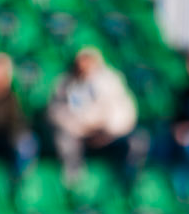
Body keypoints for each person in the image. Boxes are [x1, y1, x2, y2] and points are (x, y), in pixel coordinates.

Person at [46, 46, 139, 177]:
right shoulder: (63, 84)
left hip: (108, 135)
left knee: (137, 142)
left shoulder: (111, 82)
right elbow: (55, 113)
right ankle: (73, 179)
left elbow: (125, 113)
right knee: (64, 141)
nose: (84, 65)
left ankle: (126, 181)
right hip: (78, 135)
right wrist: (81, 128)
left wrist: (106, 129)